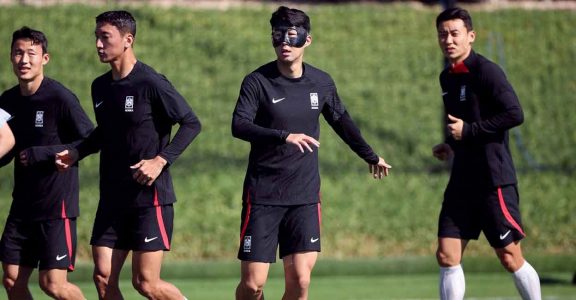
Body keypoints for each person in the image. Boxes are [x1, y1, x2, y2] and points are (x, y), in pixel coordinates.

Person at [231, 6, 391, 300]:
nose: (284, 44)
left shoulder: (321, 83)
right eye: (278, 37)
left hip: (303, 195)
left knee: (301, 280)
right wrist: (283, 136)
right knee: (254, 285)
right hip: (263, 195)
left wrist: (370, 155)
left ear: (307, 40)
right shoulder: (257, 81)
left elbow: (342, 122)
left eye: (291, 37)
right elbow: (238, 125)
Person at [56, 10, 200, 300]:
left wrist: (160, 161)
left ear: (127, 40)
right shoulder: (100, 86)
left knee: (145, 283)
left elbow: (191, 123)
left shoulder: (151, 83)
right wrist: (76, 152)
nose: (97, 44)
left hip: (149, 198)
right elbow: (105, 132)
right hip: (112, 197)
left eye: (104, 37)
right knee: (103, 276)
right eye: (96, 37)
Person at [432, 7, 541, 300]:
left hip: (494, 180)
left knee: (509, 256)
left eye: (455, 33)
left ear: (471, 36)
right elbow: (464, 121)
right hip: (462, 182)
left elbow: (514, 114)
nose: (448, 40)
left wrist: (469, 132)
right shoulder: (447, 78)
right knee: (447, 254)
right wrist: (451, 145)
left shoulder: (487, 71)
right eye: (443, 34)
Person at [0, 26, 93, 300]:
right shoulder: (6, 101)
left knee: (53, 284)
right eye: (18, 53)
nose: (24, 60)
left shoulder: (59, 97)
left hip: (56, 206)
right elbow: (7, 148)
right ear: (10, 57)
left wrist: (44, 153)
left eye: (31, 53)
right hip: (22, 206)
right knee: (11, 279)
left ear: (45, 58)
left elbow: (92, 138)